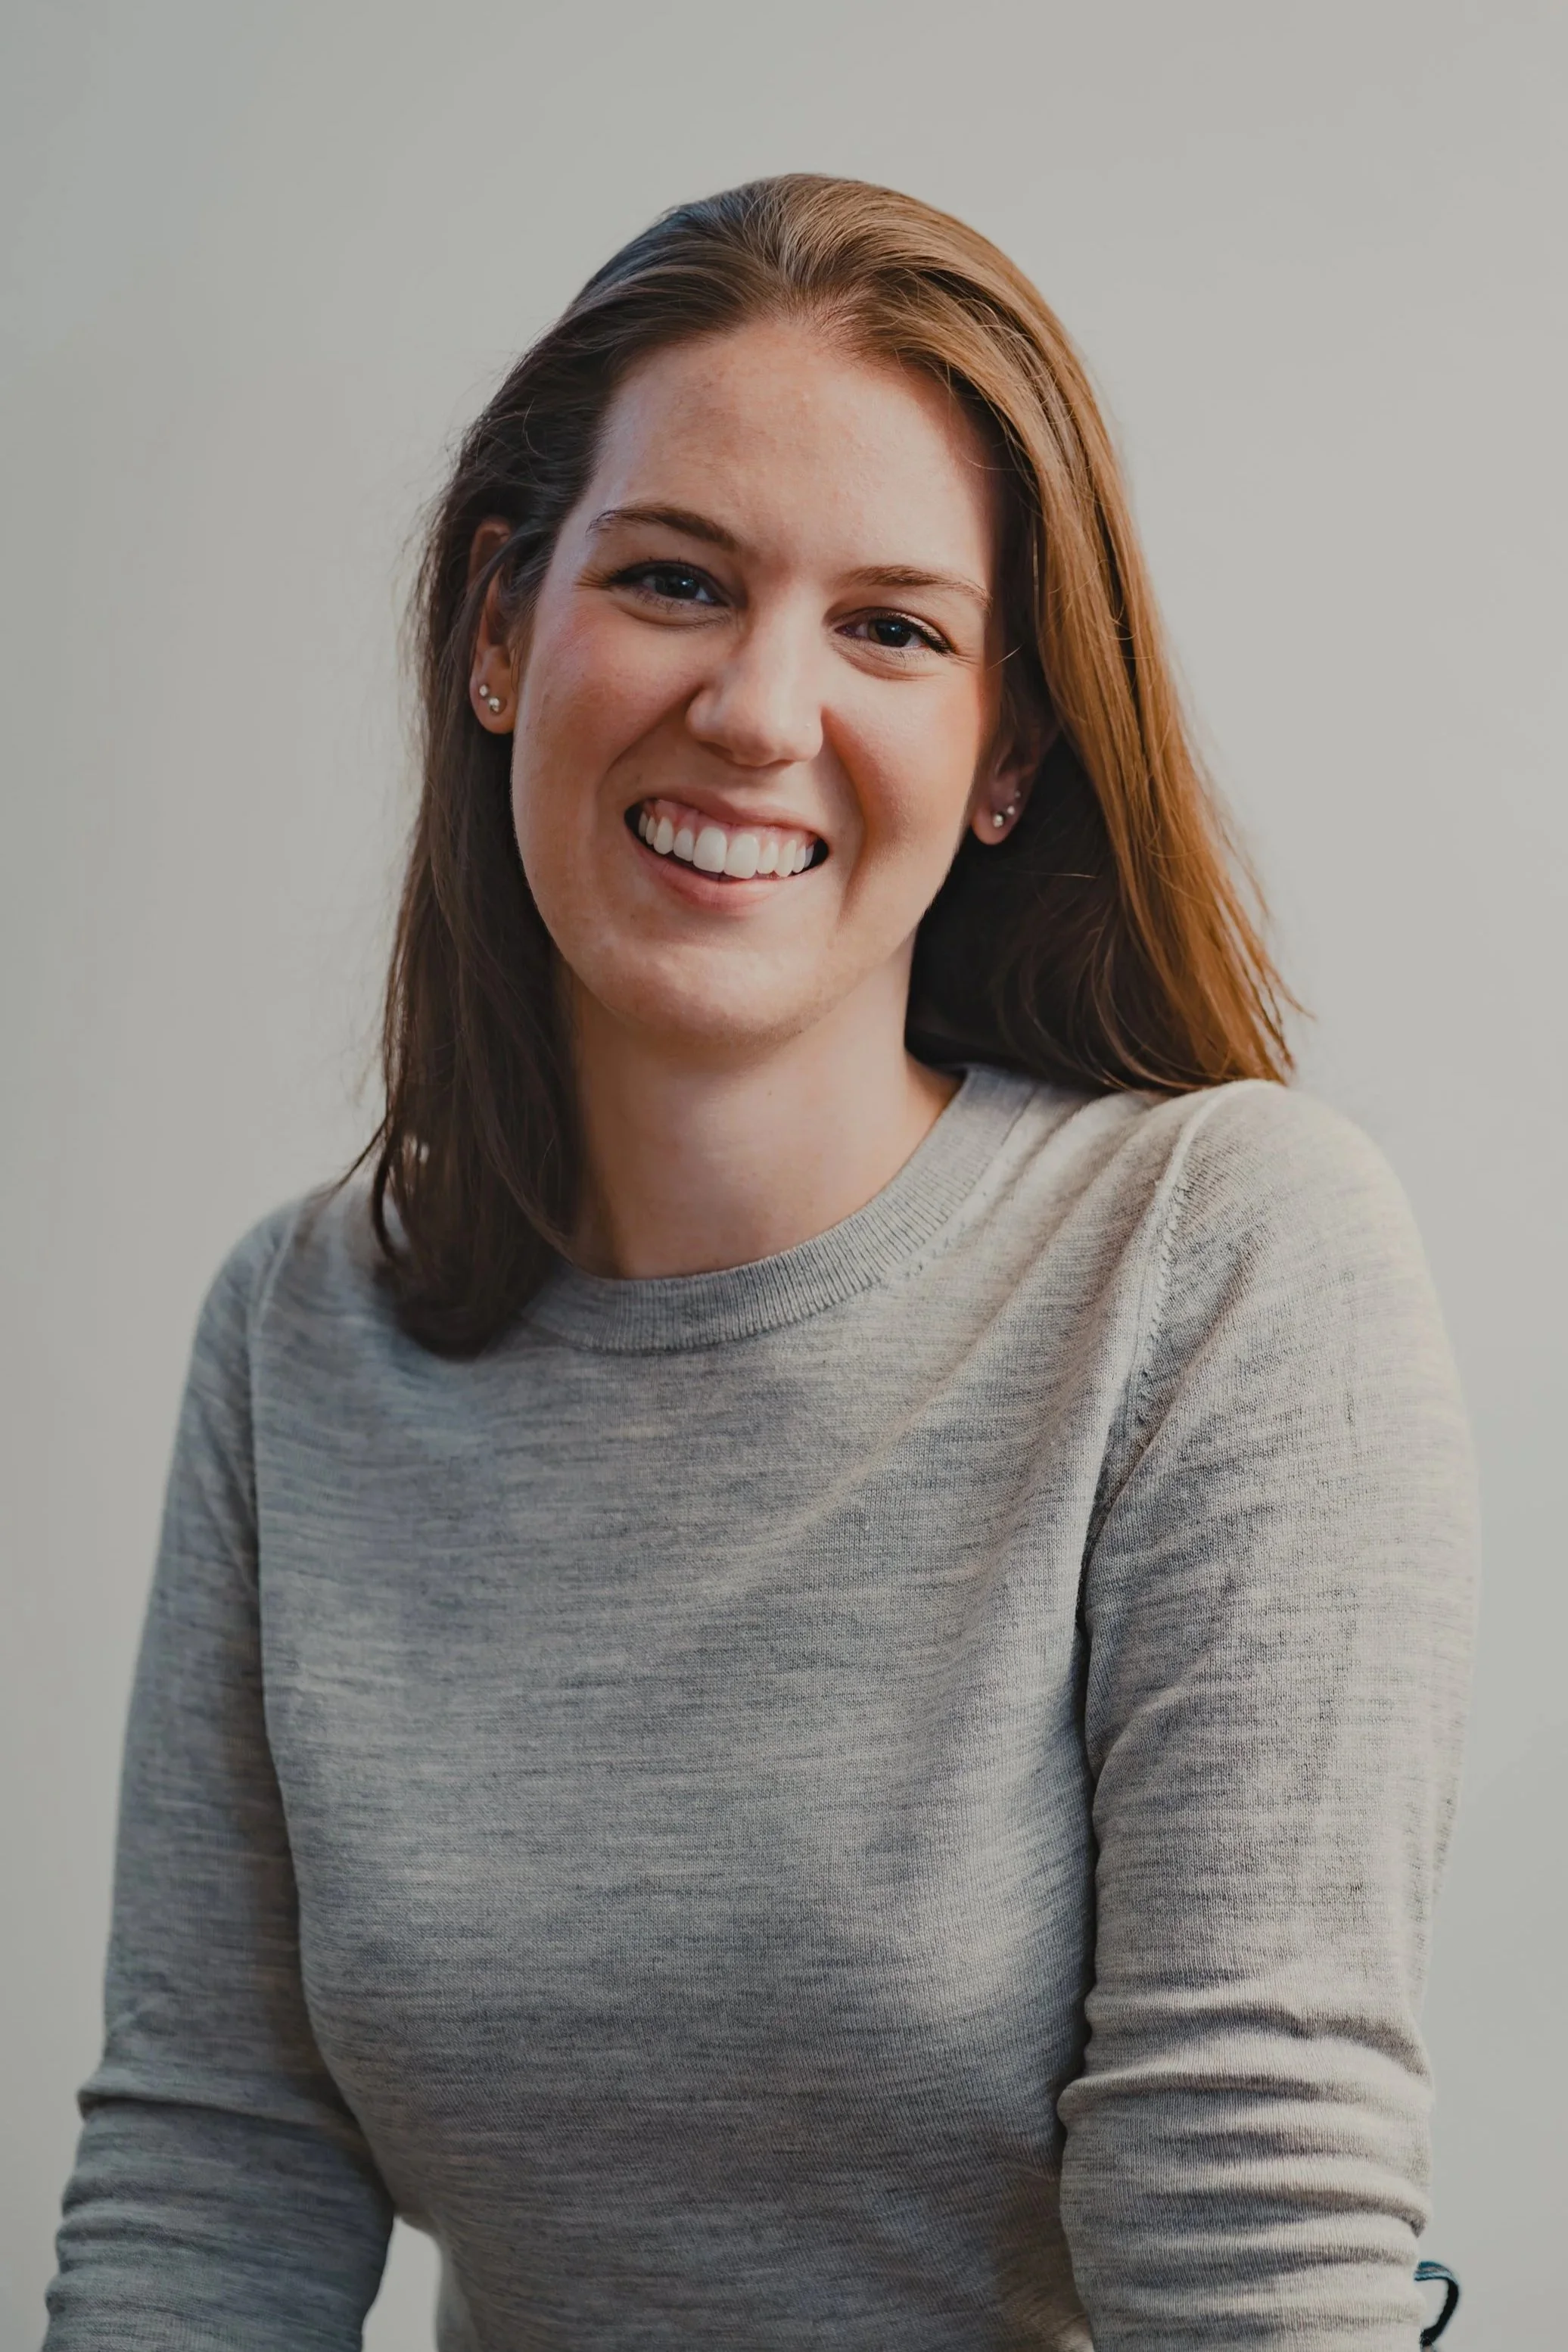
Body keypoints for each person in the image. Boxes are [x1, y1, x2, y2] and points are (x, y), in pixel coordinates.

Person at [42, 175, 1476, 2350]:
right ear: (502, 631)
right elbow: (212, 2178)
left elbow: (1254, 2237)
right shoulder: (298, 1332)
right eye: (677, 578)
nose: (755, 703)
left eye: (891, 626)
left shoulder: (1220, 1262)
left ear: (1006, 751)